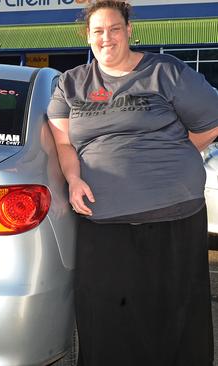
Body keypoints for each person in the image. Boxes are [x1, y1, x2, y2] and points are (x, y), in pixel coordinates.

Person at [47, 1, 217, 365]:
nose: (106, 37)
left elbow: (210, 123)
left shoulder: (166, 71)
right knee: (106, 315)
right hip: (103, 220)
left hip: (175, 215)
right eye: (98, 31)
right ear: (88, 37)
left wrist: (175, 155)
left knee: (173, 312)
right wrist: (74, 179)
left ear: (129, 31)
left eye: (114, 28)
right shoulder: (71, 82)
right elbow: (63, 143)